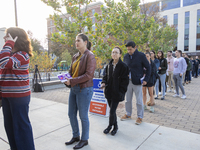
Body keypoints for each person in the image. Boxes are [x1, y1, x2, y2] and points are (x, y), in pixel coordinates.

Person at [0, 27, 35, 150]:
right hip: (7, 97)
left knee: (21, 128)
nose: (5, 38)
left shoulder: (23, 55)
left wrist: (9, 44)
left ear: (16, 39)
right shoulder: (10, 55)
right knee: (9, 128)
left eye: (8, 36)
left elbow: (4, 62)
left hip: (19, 98)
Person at [64, 33, 96, 149]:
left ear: (85, 42)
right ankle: (76, 136)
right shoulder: (75, 56)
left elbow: (89, 75)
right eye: (75, 40)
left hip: (85, 89)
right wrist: (65, 77)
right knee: (71, 114)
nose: (76, 43)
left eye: (78, 40)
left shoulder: (90, 56)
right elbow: (71, 72)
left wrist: (72, 81)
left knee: (83, 116)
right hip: (74, 88)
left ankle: (84, 139)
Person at [120, 41, 150, 125]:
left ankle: (140, 117)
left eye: (130, 49)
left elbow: (148, 67)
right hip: (127, 81)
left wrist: (146, 79)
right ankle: (128, 114)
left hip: (137, 82)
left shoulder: (141, 56)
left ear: (135, 47)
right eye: (127, 49)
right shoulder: (126, 56)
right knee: (127, 100)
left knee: (139, 101)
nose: (129, 51)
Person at [101, 46, 129, 135]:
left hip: (117, 93)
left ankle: (109, 126)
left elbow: (125, 82)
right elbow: (105, 77)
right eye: (113, 52)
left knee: (112, 111)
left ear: (120, 54)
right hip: (109, 91)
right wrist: (103, 83)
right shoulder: (108, 65)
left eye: (116, 52)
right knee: (112, 111)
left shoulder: (124, 66)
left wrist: (121, 92)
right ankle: (116, 127)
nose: (114, 54)